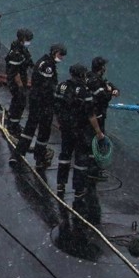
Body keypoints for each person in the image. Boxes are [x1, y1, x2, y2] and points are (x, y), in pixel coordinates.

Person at [54, 60, 98, 197]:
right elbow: (91, 114)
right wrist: (99, 132)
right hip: (80, 129)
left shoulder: (61, 86)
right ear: (82, 75)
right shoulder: (85, 92)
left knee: (65, 156)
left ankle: (60, 184)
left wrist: (61, 122)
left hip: (66, 127)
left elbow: (57, 106)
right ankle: (78, 189)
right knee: (80, 159)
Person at [23, 44, 60, 165]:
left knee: (30, 126)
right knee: (44, 129)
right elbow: (47, 86)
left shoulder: (42, 61)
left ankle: (19, 152)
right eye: (60, 55)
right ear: (55, 52)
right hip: (43, 102)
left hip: (35, 99)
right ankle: (39, 157)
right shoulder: (48, 66)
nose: (62, 58)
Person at [3, 28, 35, 137]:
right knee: (19, 101)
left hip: (22, 77)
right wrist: (21, 87)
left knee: (17, 101)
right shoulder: (16, 53)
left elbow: (29, 61)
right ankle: (13, 126)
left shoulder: (23, 50)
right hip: (16, 80)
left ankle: (11, 120)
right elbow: (15, 73)